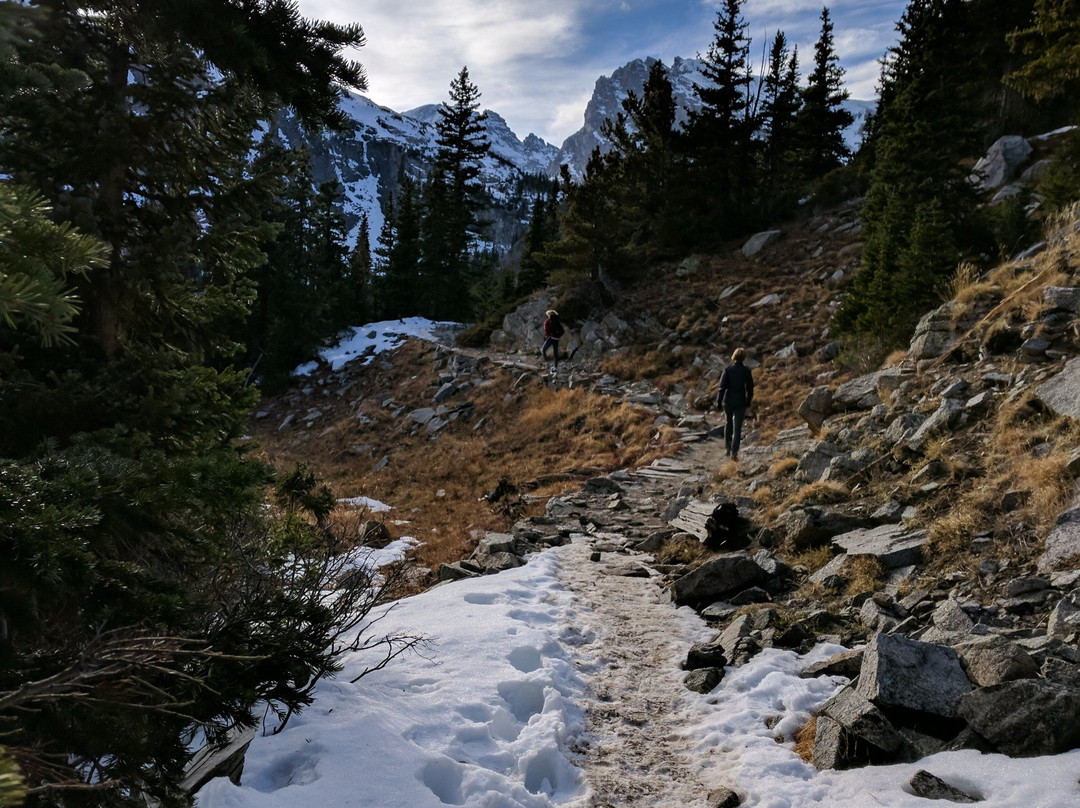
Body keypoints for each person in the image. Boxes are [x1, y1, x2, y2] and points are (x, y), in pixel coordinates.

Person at [717, 347, 754, 461]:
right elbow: (750, 388)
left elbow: (722, 387)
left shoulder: (728, 370)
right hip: (740, 401)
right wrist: (748, 401)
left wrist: (719, 401)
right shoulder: (746, 371)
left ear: (734, 356)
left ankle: (727, 448)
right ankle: (734, 453)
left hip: (728, 400)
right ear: (744, 357)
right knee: (737, 428)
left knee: (728, 423)